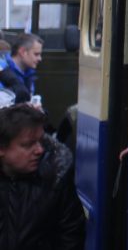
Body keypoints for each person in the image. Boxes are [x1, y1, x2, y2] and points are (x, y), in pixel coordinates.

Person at [0, 104, 84, 249]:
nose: (39, 150)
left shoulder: (55, 177)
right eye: (28, 145)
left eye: (41, 141)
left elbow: (71, 234)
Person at [0, 34, 43, 105]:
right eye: (36, 54)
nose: (40, 59)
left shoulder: (29, 75)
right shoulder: (2, 70)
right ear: (22, 52)